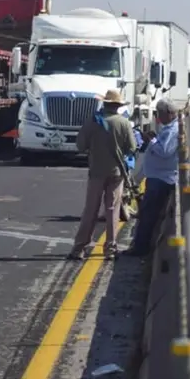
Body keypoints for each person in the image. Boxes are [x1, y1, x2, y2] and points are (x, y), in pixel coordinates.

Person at [68, 89, 137, 261]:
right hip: (116, 173)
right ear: (118, 106)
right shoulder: (124, 123)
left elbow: (80, 146)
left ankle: (79, 248)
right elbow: (132, 148)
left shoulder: (93, 122)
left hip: (96, 172)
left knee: (90, 210)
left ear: (105, 104)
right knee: (112, 210)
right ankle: (110, 249)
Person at [123, 99, 179, 257]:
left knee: (148, 214)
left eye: (160, 113)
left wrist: (151, 140)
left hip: (161, 178)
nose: (158, 117)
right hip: (159, 176)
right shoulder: (170, 128)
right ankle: (142, 246)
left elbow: (165, 151)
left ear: (168, 113)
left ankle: (141, 248)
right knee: (148, 213)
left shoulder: (172, 130)